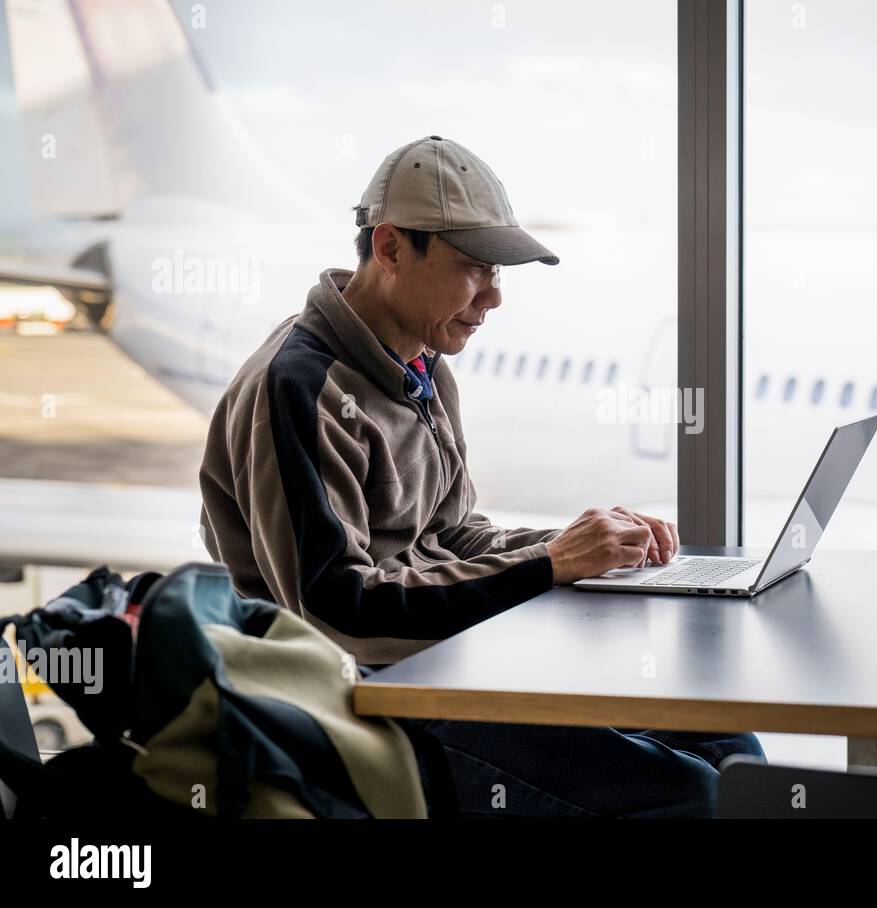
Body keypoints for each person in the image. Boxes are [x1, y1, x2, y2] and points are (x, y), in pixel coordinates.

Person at [198, 135, 764, 816]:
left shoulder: (422, 366)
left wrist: (585, 546)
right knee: (689, 794)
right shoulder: (300, 386)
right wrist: (547, 565)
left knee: (729, 747)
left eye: (501, 272)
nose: (494, 297)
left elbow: (452, 536)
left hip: (439, 667)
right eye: (474, 268)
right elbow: (334, 608)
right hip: (358, 700)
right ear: (389, 248)